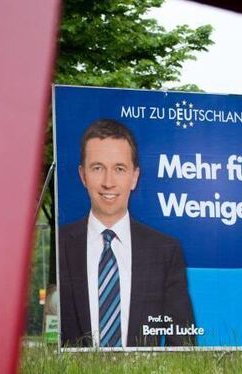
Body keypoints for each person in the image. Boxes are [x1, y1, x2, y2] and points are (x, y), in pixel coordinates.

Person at [58, 119, 195, 348]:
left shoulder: (165, 251)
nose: (108, 182)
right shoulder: (60, 244)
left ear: (134, 177)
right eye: (97, 168)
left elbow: (183, 342)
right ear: (83, 175)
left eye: (119, 169)